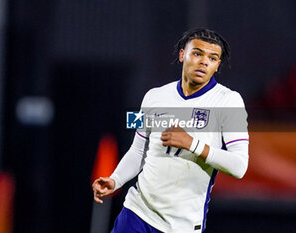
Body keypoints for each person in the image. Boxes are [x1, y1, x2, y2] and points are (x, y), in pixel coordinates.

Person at [92, 28, 249, 233]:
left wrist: (192, 144)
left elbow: (239, 166)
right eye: (197, 53)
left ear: (217, 65)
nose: (204, 62)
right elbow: (138, 150)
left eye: (212, 58)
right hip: (137, 212)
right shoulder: (153, 97)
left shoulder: (229, 101)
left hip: (181, 225)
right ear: (182, 54)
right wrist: (115, 179)